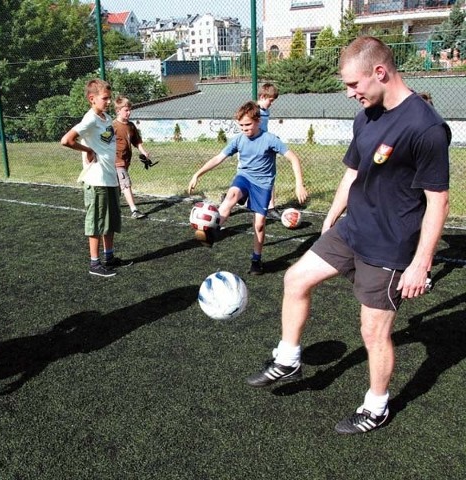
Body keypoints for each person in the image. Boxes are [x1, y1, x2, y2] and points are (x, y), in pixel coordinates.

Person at [246, 36, 450, 435]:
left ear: (380, 72)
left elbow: (438, 200)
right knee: (295, 278)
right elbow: (353, 172)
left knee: (372, 331)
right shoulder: (367, 116)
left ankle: (376, 406)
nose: (349, 93)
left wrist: (420, 264)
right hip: (352, 229)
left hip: (390, 245)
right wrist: (331, 218)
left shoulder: (426, 127)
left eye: (354, 85)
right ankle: (288, 358)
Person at [188, 101, 308, 274]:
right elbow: (218, 158)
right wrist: (197, 174)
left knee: (259, 224)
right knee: (231, 196)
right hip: (244, 177)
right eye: (241, 125)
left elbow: (293, 158)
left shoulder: (270, 139)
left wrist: (299, 184)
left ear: (258, 121)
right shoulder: (238, 140)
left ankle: (256, 260)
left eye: (248, 125)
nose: (244, 129)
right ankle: (212, 232)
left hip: (263, 184)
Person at [61, 79, 132, 278]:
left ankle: (109, 258)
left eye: (109, 98)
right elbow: (66, 140)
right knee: (97, 222)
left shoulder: (106, 118)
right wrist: (87, 149)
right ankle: (95, 262)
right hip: (96, 179)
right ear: (92, 99)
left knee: (110, 221)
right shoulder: (90, 119)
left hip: (110, 178)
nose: (109, 102)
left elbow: (106, 144)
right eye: (105, 98)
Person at [113, 95, 150, 219]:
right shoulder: (113, 126)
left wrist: (143, 151)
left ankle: (111, 205)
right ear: (118, 111)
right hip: (116, 161)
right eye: (126, 110)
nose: (129, 112)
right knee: (126, 183)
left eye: (130, 110)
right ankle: (134, 210)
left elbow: (137, 141)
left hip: (126, 161)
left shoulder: (131, 126)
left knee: (117, 186)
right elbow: (104, 141)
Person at [257, 83, 282, 221]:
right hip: (252, 150)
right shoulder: (254, 110)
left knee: (270, 175)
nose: (271, 103)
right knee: (246, 178)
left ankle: (271, 207)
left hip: (265, 149)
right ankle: (230, 198)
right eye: (270, 100)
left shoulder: (266, 111)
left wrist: (271, 140)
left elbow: (263, 130)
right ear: (262, 96)